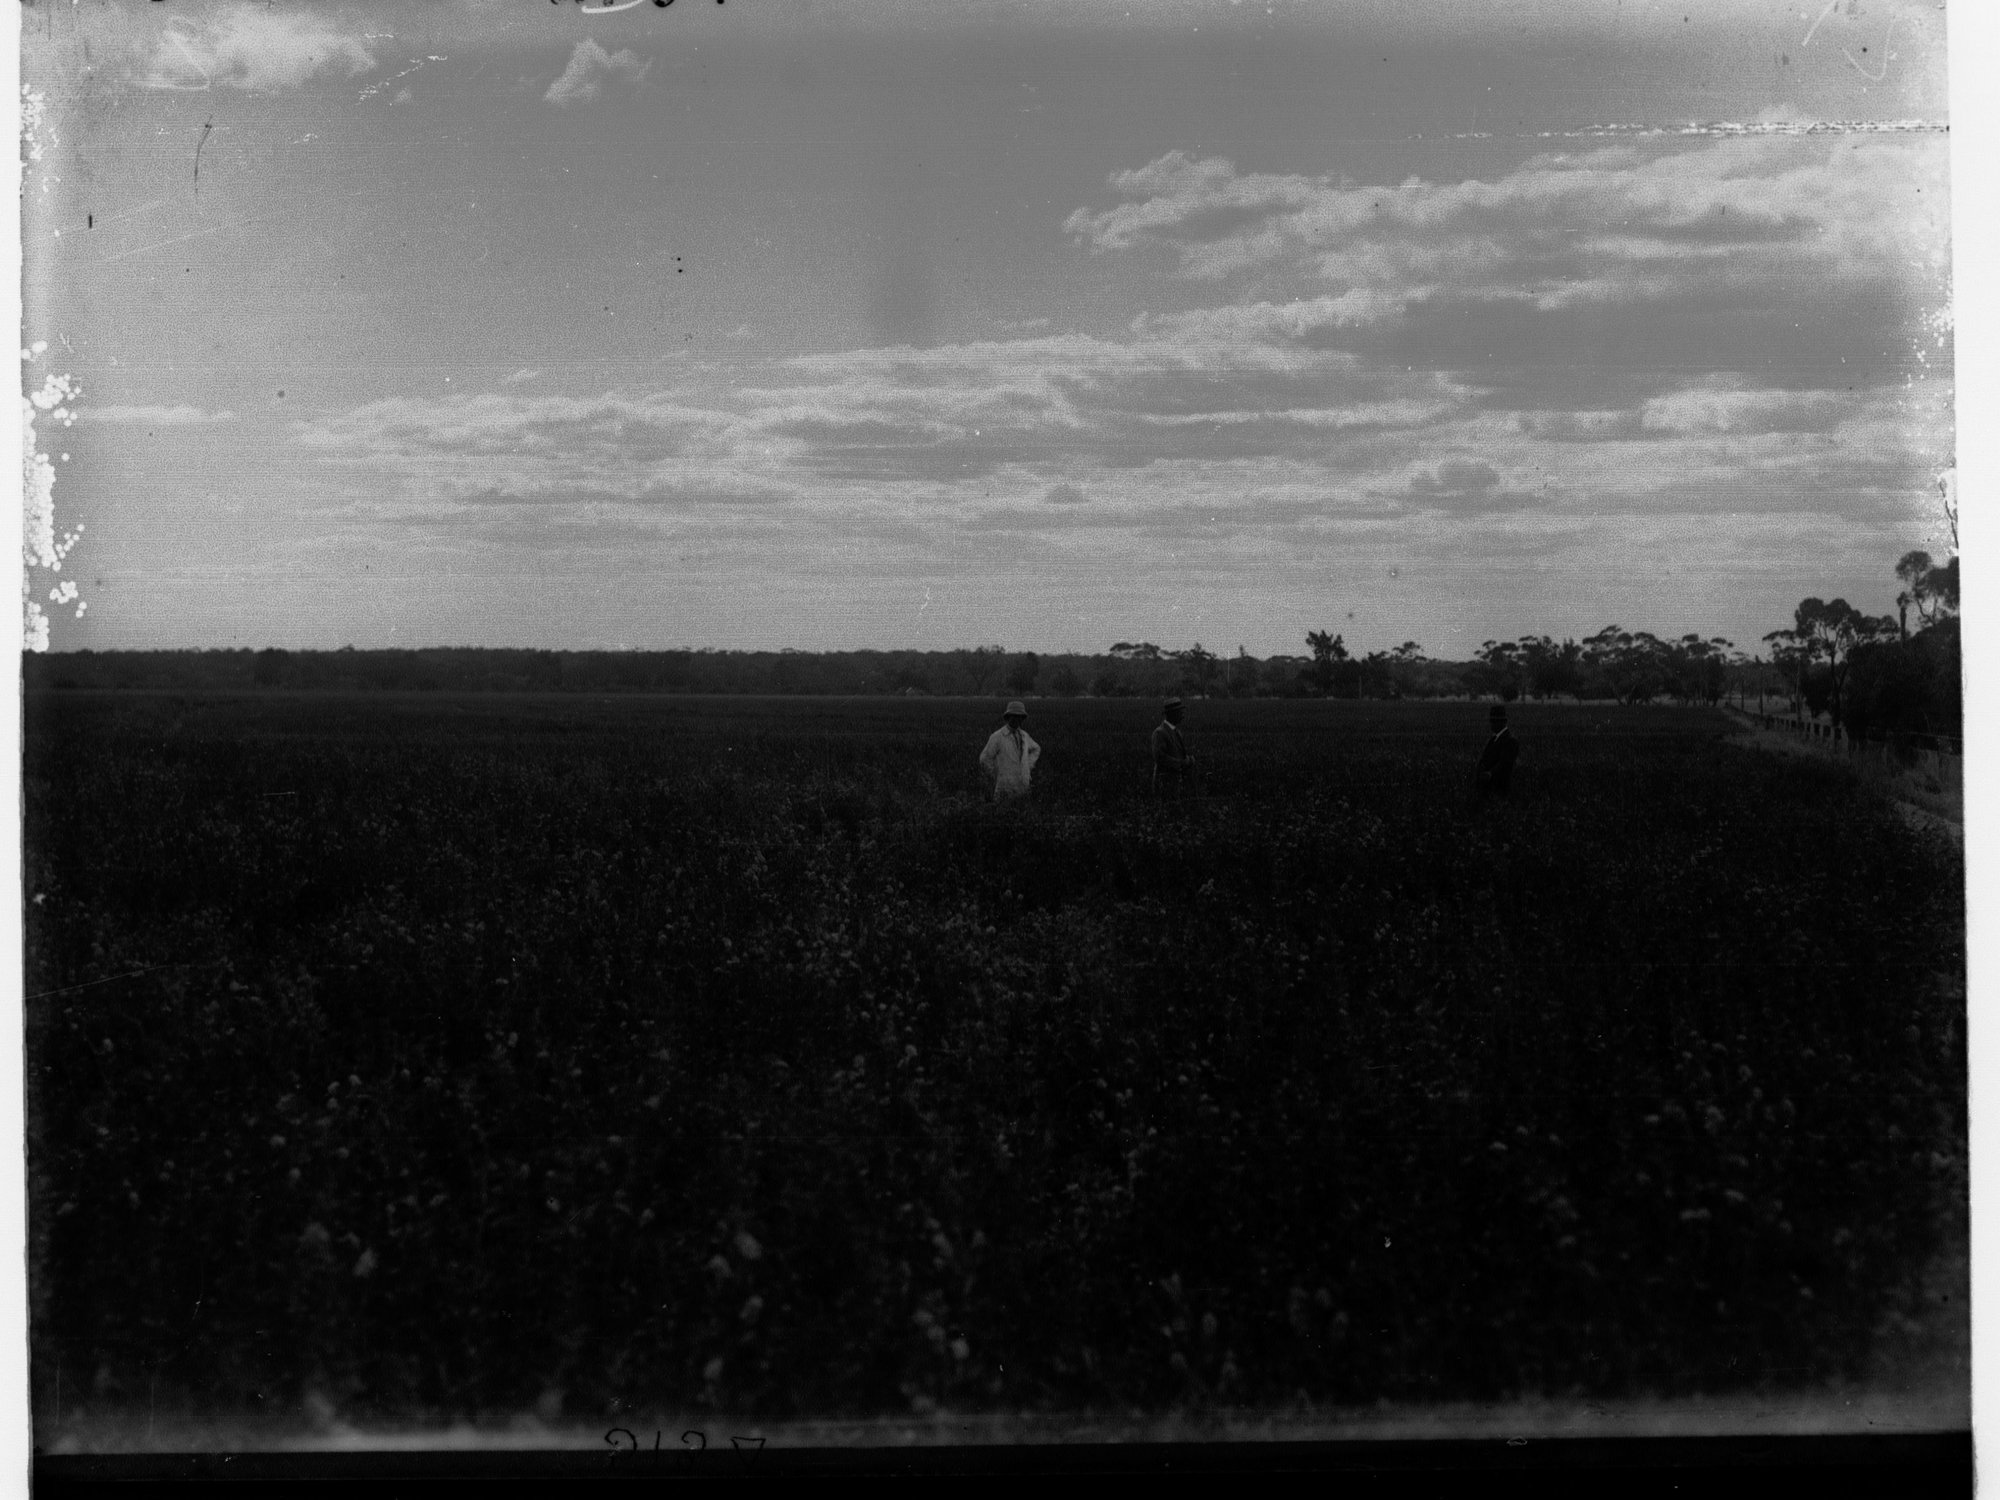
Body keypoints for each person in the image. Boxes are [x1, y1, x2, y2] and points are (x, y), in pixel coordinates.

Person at [979, 700, 1040, 802]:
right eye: (1014, 716)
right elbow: (984, 759)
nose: (1017, 719)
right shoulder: (997, 736)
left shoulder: (1024, 736)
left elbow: (1036, 749)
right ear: (1008, 717)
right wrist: (997, 775)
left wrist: (1027, 767)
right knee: (1003, 814)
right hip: (1004, 788)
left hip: (1023, 787)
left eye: (1020, 716)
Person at [1473, 704, 1520, 799]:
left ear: (1502, 722)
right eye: (1491, 721)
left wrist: (1490, 773)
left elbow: (1504, 763)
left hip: (1499, 789)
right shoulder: (1493, 739)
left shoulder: (1511, 741)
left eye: (1494, 721)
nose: (1491, 724)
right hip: (1487, 788)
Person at [1153, 697, 1195, 797]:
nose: (1182, 715)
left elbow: (1178, 754)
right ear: (1171, 714)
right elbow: (1160, 758)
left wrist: (1188, 760)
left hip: (1175, 783)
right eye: (1180, 712)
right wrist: (1182, 763)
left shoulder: (1176, 732)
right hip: (1165, 784)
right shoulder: (1160, 733)